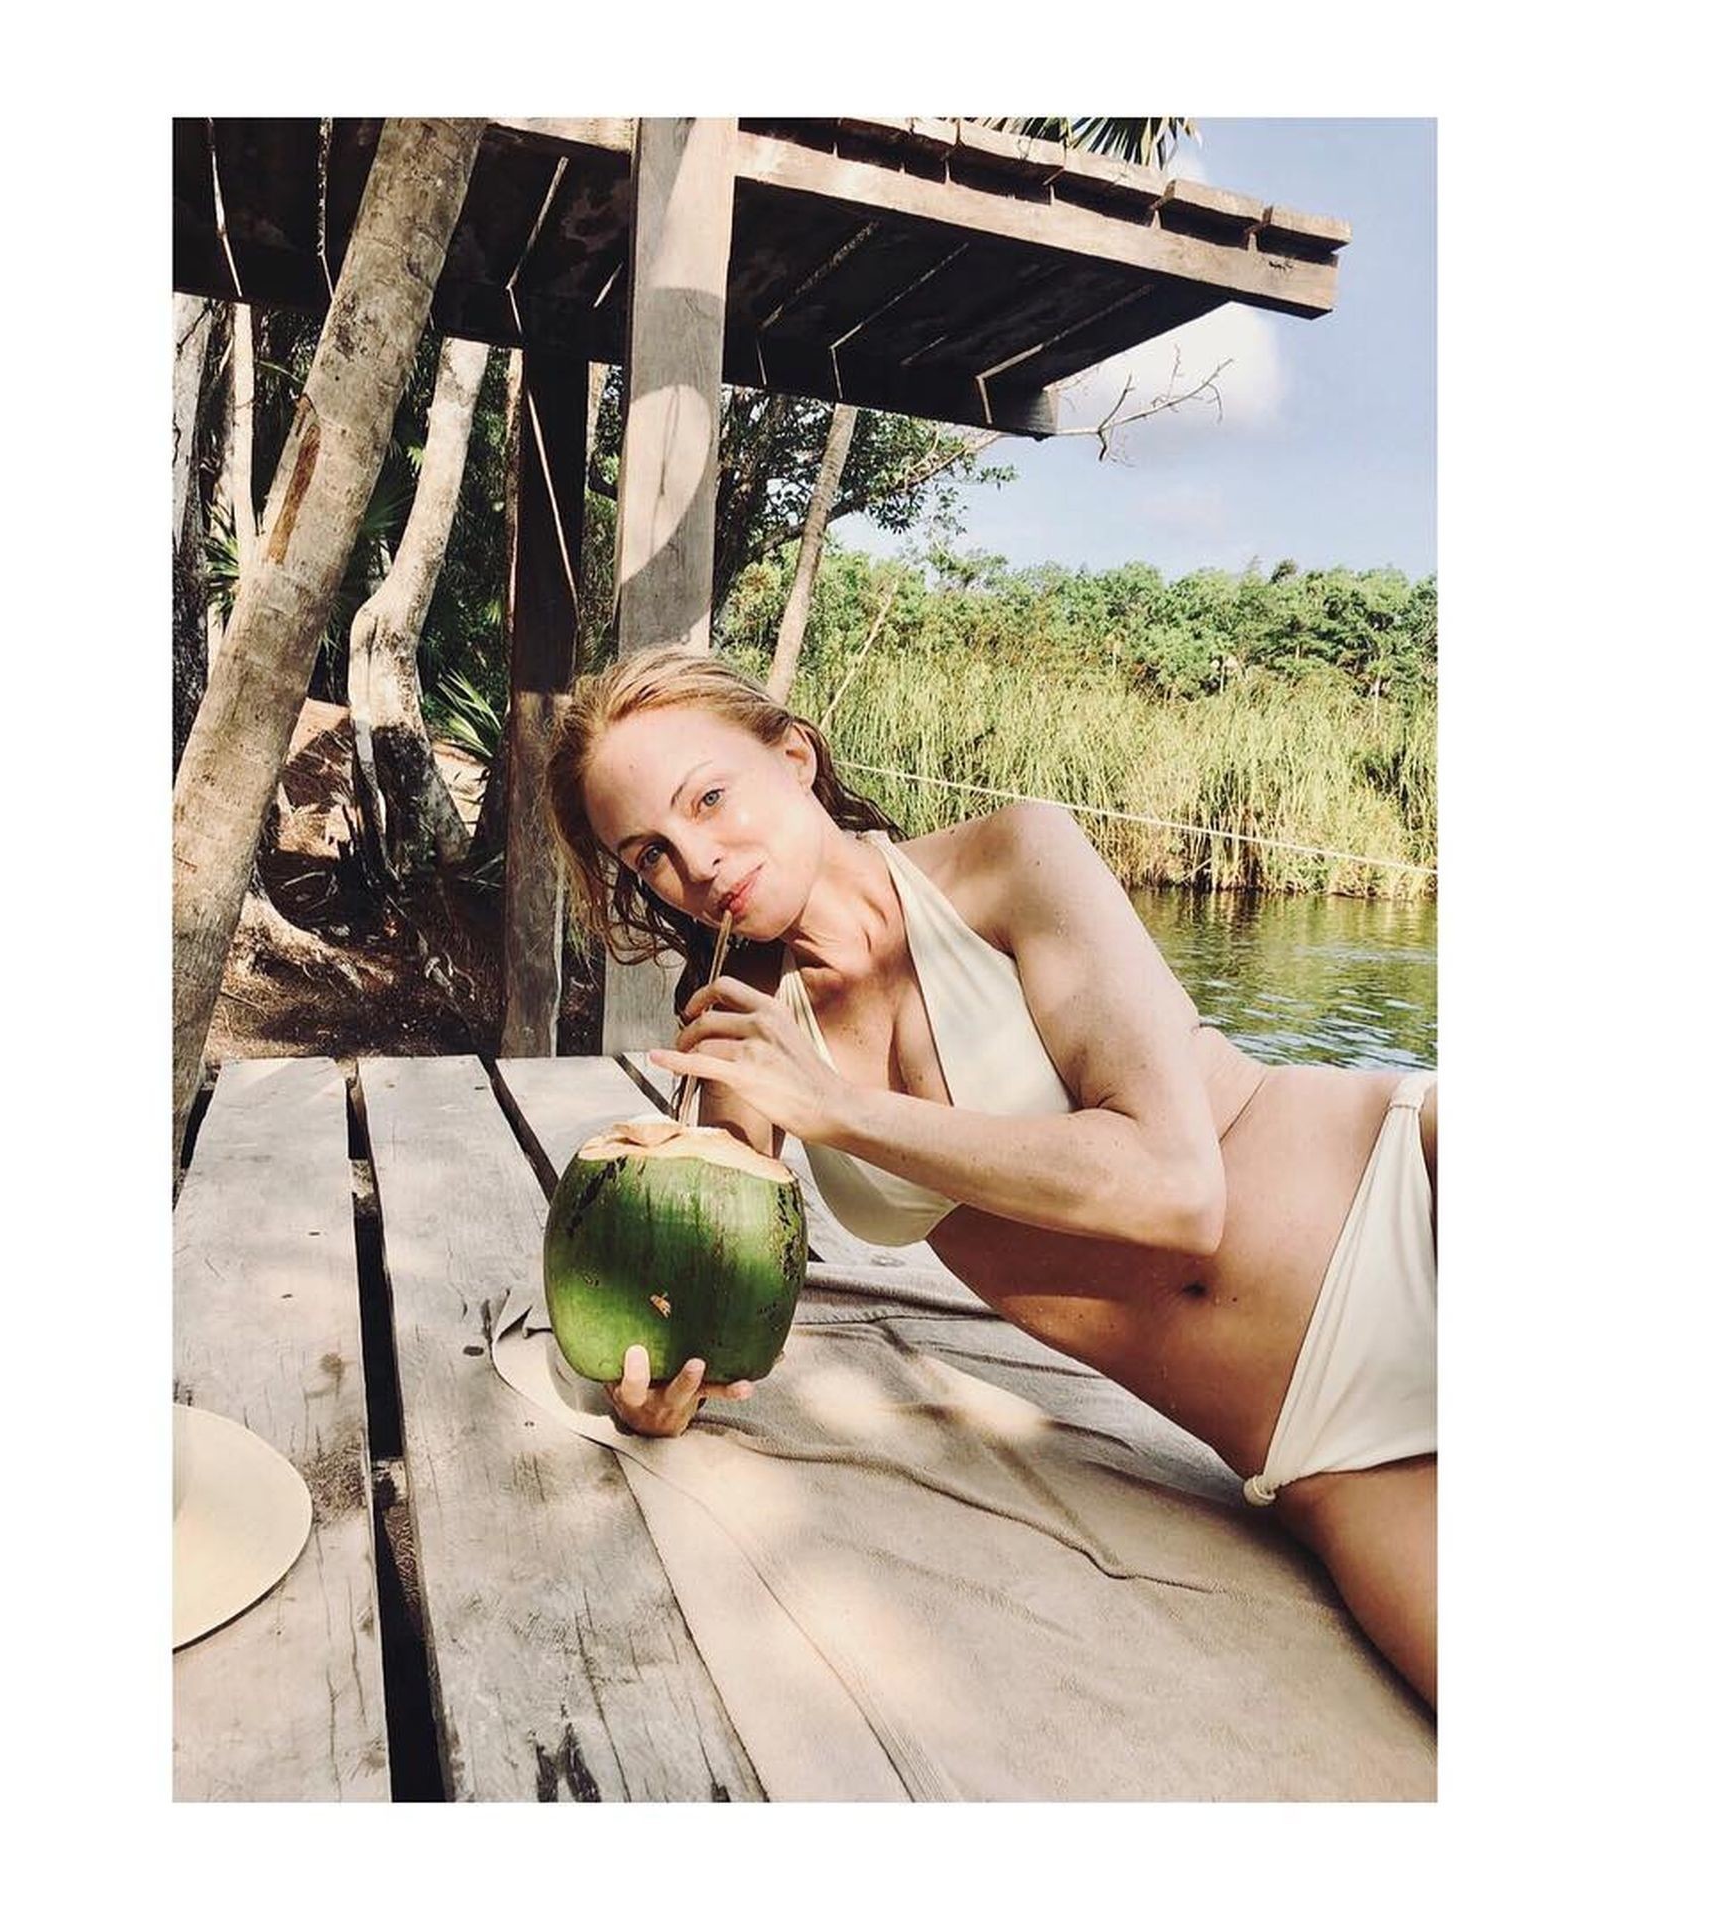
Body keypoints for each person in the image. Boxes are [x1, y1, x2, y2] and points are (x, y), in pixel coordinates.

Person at [544, 644, 1438, 1708]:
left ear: (793, 758)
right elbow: (698, 1295)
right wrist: (656, 1390)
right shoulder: (752, 1031)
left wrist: (840, 1110)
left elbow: (1176, 1188)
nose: (696, 861)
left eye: (710, 798)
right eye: (649, 853)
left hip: (1409, 1198)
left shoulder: (1013, 859)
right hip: (1320, 1448)